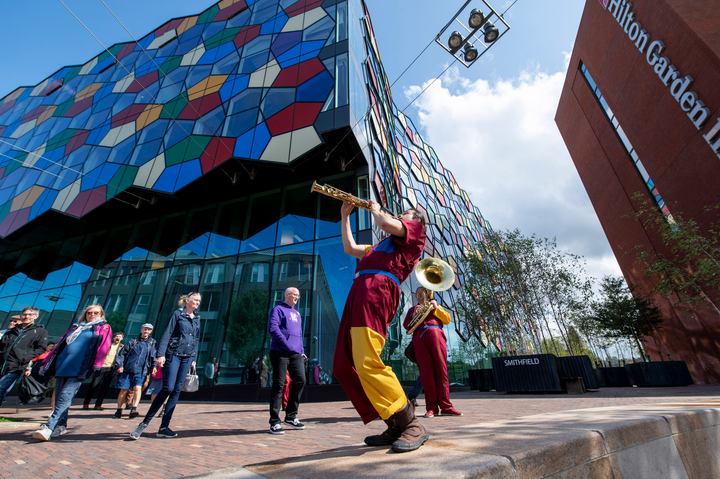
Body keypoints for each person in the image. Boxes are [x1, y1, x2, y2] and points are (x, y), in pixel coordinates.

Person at [333, 201, 428, 453]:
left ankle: (411, 423)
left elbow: (385, 222)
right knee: (343, 364)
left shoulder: (416, 232)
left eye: (404, 214)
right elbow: (349, 247)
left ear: (415, 221)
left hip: (377, 290)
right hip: (358, 292)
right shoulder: (377, 247)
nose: (400, 216)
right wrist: (345, 216)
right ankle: (393, 421)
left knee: (368, 360)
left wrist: (376, 209)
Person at [32, 304, 112, 441]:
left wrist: (97, 365)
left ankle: (49, 427)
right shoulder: (77, 327)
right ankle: (61, 426)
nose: (92, 315)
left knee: (65, 396)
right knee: (59, 397)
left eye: (96, 313)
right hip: (63, 365)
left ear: (101, 315)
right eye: (89, 312)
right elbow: (59, 345)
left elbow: (104, 346)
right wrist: (47, 362)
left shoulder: (103, 328)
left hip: (80, 367)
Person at [129, 292, 201, 439]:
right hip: (173, 354)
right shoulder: (177, 314)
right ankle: (144, 423)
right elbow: (166, 334)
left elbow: (196, 339)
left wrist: (194, 357)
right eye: (195, 300)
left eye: (199, 301)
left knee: (176, 390)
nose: (197, 303)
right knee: (168, 387)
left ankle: (164, 426)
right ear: (187, 300)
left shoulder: (197, 318)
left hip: (187, 357)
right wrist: (160, 355)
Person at [403, 287, 462, 418]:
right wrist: (414, 315)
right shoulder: (412, 309)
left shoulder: (435, 305)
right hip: (419, 339)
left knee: (441, 372)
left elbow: (446, 320)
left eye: (422, 292)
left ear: (427, 294)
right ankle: (432, 408)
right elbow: (407, 326)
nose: (419, 294)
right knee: (426, 375)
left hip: (436, 335)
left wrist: (436, 307)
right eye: (417, 293)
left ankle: (446, 406)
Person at [268, 287, 307, 435]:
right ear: (287, 295)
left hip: (296, 354)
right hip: (280, 352)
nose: (297, 297)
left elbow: (299, 334)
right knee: (279, 385)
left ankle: (291, 416)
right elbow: (273, 328)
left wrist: (302, 352)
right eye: (294, 295)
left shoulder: (297, 313)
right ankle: (274, 422)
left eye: (298, 295)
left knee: (300, 381)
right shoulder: (278, 309)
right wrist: (286, 344)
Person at [0, 307, 48, 407]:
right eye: (24, 314)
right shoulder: (12, 331)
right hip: (1, 363)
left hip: (16, 366)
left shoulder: (40, 331)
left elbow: (41, 348)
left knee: (1, 388)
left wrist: (24, 357)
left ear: (36, 316)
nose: (26, 316)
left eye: (30, 314)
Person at [113, 325, 156, 419]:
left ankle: (134, 408)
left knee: (137, 388)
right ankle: (119, 410)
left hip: (141, 371)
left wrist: (154, 367)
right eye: (145, 329)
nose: (146, 331)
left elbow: (153, 356)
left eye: (148, 330)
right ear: (141, 330)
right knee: (123, 390)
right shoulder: (133, 341)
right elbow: (121, 354)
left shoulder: (152, 342)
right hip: (128, 370)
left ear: (151, 332)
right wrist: (120, 365)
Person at [82, 332, 123, 410]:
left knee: (105, 387)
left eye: (119, 337)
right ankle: (86, 403)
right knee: (94, 385)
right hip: (101, 367)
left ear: (121, 339)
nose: (118, 338)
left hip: (111, 368)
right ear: (113, 338)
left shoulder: (122, 347)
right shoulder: (107, 345)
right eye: (116, 336)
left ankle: (98, 404)